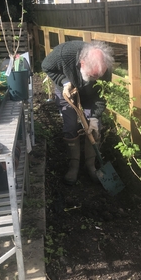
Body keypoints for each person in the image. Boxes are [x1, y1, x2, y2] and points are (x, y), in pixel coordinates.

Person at [41, 40, 114, 185]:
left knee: (94, 128)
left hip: (90, 95)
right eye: (93, 77)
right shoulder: (64, 53)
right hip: (67, 90)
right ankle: (73, 166)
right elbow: (46, 66)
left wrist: (94, 117)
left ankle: (91, 165)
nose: (96, 79)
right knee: (70, 126)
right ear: (82, 63)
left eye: (98, 77)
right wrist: (65, 81)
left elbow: (101, 95)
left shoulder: (105, 67)